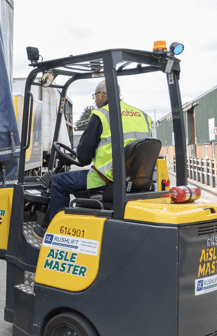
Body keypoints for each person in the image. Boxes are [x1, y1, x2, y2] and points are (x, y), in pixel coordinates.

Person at [35, 79, 151, 238]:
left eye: (95, 95)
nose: (95, 99)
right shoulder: (142, 116)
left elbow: (83, 157)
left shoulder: (102, 114)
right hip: (135, 179)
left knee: (59, 181)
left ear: (102, 95)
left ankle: (54, 234)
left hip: (104, 179)